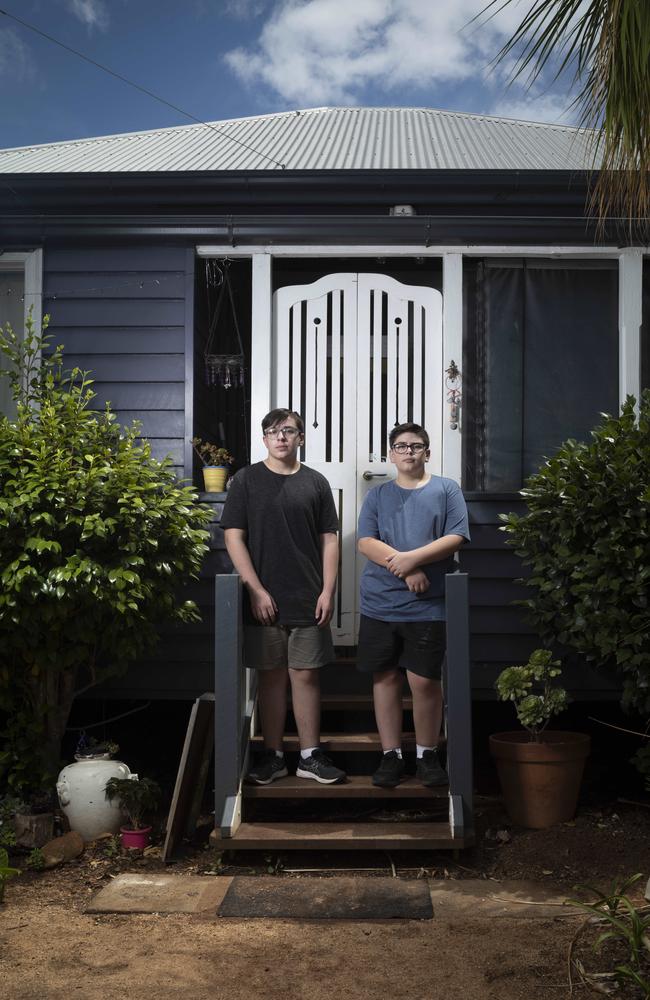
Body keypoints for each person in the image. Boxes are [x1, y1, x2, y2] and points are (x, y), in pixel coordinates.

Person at [221, 408, 346, 786]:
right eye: (273, 431)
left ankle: (310, 756)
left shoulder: (316, 483)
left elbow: (329, 539)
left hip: (308, 595)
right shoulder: (246, 481)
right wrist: (255, 589)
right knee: (272, 677)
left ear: (300, 438)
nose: (281, 437)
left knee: (305, 675)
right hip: (264, 598)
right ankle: (272, 756)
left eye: (288, 431)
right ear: (264, 439)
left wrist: (328, 590)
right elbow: (233, 536)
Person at [356, 422, 470, 788]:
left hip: (428, 605)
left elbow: (456, 536)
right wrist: (406, 570)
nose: (409, 452)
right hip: (380, 603)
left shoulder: (446, 490)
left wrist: (412, 561)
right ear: (391, 454)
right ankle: (391, 755)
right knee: (386, 677)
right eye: (401, 446)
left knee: (423, 681)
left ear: (428, 452)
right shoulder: (377, 496)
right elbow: (365, 542)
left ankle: (426, 754)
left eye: (416, 446)